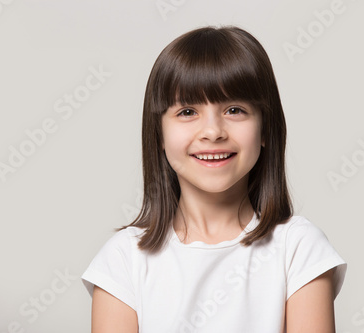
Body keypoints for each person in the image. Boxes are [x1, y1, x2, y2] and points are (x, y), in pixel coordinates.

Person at [82, 25, 347, 333]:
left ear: (265, 129)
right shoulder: (123, 258)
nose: (213, 131)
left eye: (235, 110)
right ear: (159, 134)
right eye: (187, 112)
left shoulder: (298, 248)